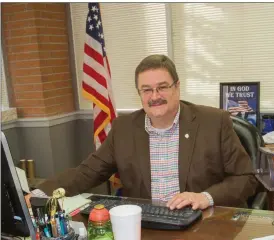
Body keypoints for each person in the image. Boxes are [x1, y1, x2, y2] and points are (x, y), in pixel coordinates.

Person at [26, 54, 258, 210]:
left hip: (204, 224)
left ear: (177, 87)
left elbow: (245, 178)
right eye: (146, 90)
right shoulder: (124, 128)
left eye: (162, 87)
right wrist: (41, 193)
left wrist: (204, 197)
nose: (154, 96)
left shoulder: (213, 122)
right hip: (146, 226)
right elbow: (86, 173)